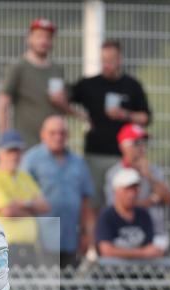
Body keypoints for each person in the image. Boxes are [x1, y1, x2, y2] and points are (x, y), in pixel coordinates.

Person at [70, 40, 151, 212]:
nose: (107, 65)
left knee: (122, 201)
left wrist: (126, 114)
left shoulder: (132, 85)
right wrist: (80, 115)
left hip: (122, 156)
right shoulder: (89, 84)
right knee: (94, 201)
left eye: (111, 60)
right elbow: (63, 98)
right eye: (104, 60)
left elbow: (146, 117)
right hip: (96, 154)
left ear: (120, 60)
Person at [20, 116, 95, 268]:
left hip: (71, 238)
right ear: (43, 134)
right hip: (42, 240)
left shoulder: (78, 162)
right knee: (46, 288)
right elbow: (22, 196)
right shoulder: (31, 160)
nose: (58, 137)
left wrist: (87, 234)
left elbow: (85, 202)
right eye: (52, 133)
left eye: (62, 133)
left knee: (68, 287)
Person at [0, 18, 73, 148]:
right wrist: (6, 139)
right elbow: (2, 104)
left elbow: (64, 107)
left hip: (54, 145)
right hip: (27, 144)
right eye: (39, 36)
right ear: (29, 38)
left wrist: (62, 101)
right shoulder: (18, 67)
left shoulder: (57, 69)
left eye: (48, 37)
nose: (43, 41)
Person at [0, 130, 49, 267]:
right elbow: (8, 212)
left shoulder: (24, 177)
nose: (14, 155)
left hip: (30, 248)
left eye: (18, 151)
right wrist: (32, 208)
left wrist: (21, 204)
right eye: (10, 151)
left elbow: (44, 206)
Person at [104, 123, 170, 252]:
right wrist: (152, 200)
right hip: (125, 236)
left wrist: (150, 176)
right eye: (136, 143)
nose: (141, 148)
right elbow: (117, 207)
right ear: (123, 146)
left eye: (143, 143)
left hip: (155, 236)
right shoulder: (114, 173)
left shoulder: (154, 170)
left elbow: (168, 199)